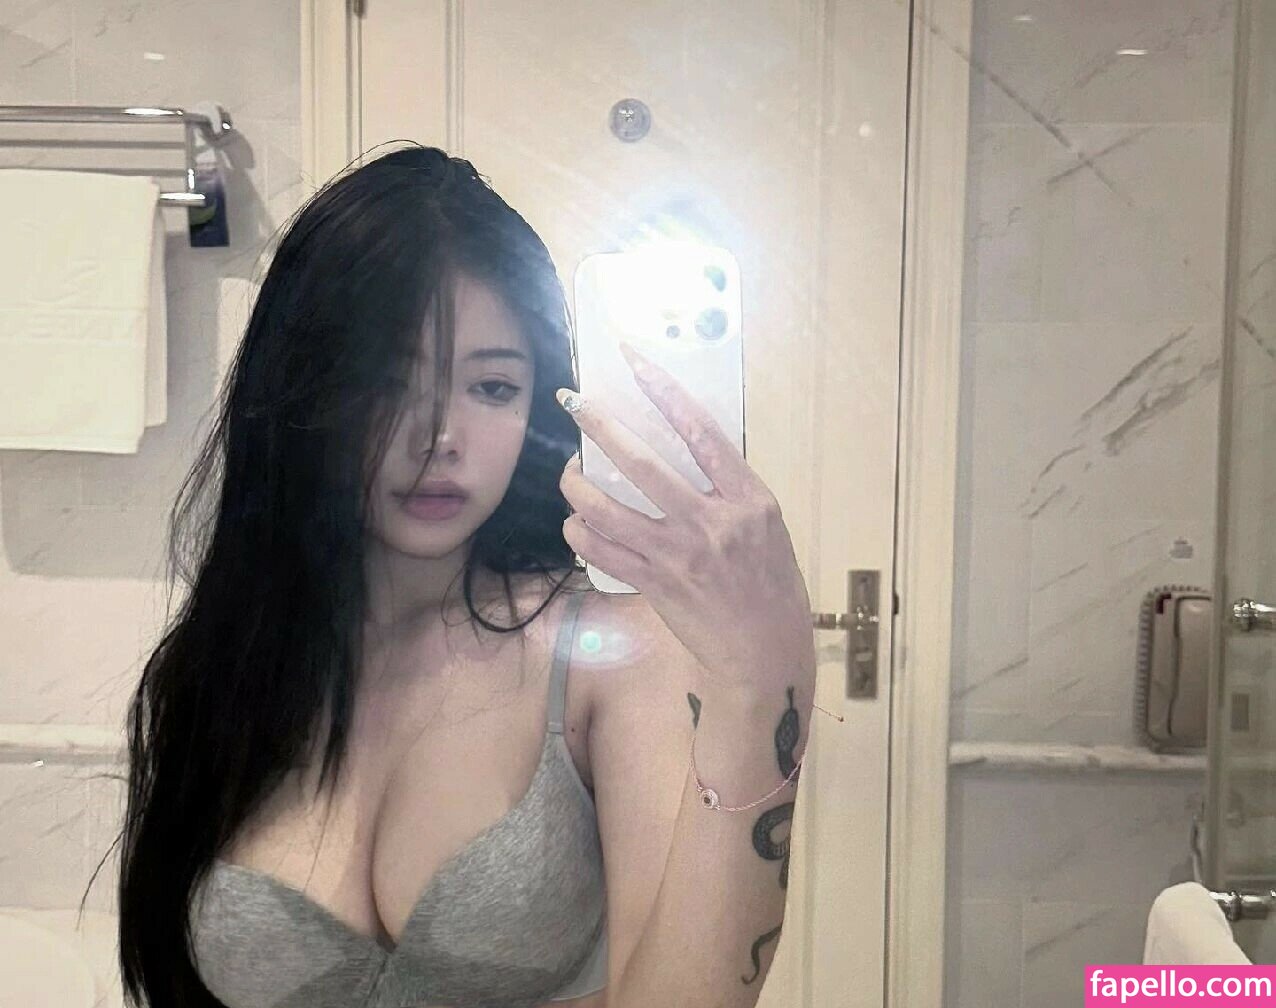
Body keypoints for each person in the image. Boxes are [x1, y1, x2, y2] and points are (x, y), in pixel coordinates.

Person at [116, 144, 817, 1008]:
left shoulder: (613, 656)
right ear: (299, 388)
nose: (439, 438)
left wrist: (764, 678)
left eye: (490, 387)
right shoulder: (224, 666)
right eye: (384, 381)